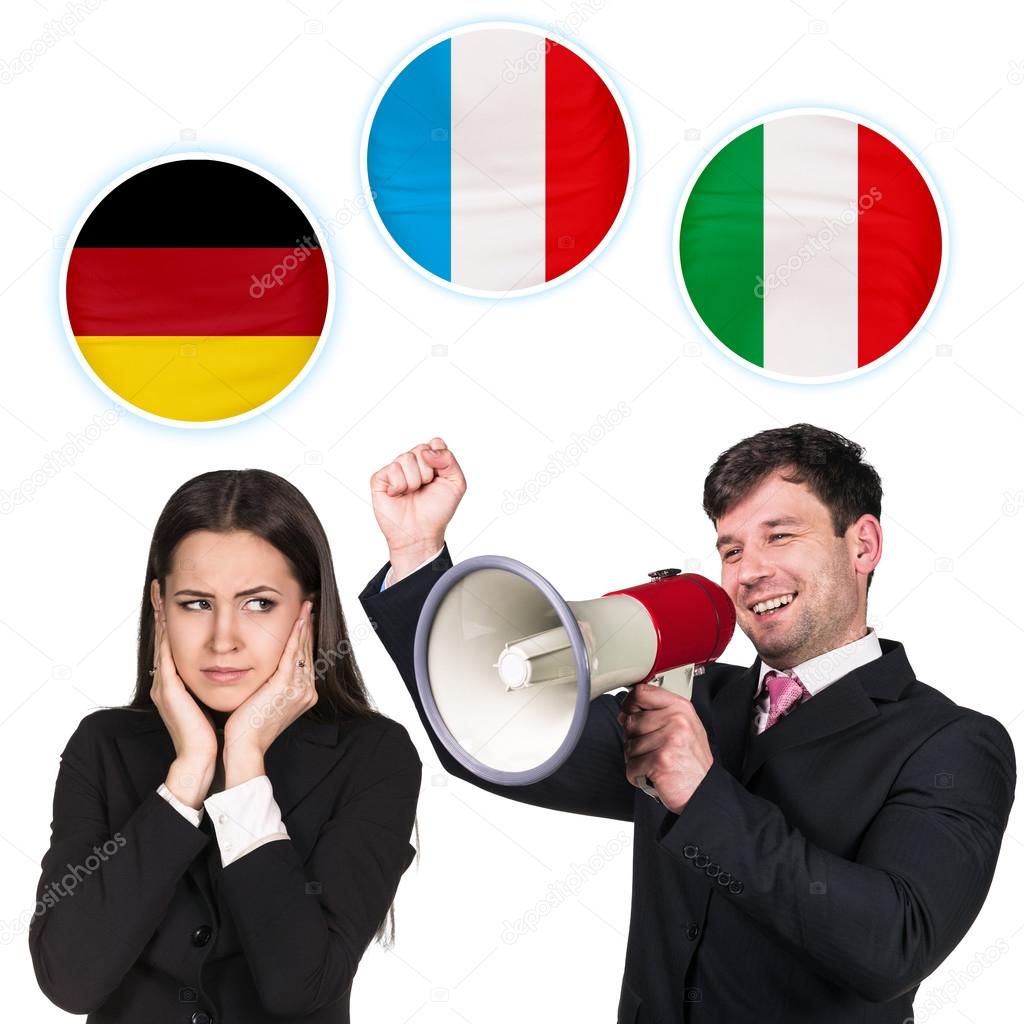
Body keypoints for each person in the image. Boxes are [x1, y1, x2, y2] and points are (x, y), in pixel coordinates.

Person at [358, 426, 1016, 1024]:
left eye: (779, 535)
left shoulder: (952, 742)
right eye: (730, 548)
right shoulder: (688, 697)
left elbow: (891, 949)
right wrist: (418, 557)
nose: (749, 570)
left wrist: (704, 795)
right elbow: (487, 739)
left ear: (863, 544)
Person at [30, 469, 421, 1024]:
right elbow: (69, 980)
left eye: (259, 604)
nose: (223, 639)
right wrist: (186, 776)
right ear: (159, 606)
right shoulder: (104, 745)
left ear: (307, 612)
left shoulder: (374, 756)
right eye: (196, 604)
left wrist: (244, 765)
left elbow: (301, 986)